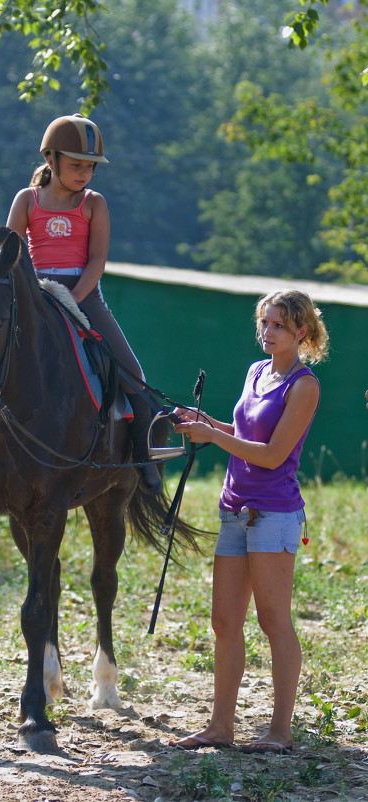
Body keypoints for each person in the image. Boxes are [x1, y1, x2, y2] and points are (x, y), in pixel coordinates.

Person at [0, 114, 162, 494]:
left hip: (83, 294)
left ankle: (143, 456)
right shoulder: (26, 199)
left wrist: (72, 299)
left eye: (90, 167)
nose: (85, 173)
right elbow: (9, 254)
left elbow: (97, 261)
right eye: (76, 165)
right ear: (51, 160)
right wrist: (28, 295)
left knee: (133, 372)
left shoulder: (94, 204)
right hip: (32, 293)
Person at [168, 289, 329, 754]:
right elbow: (244, 433)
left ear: (301, 331)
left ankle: (280, 731)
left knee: (274, 621)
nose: (268, 331)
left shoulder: (304, 385)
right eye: (265, 322)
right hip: (234, 510)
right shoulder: (256, 372)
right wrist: (208, 423)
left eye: (278, 325)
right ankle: (220, 727)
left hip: (274, 514)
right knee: (224, 622)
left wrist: (213, 439)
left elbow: (274, 455)